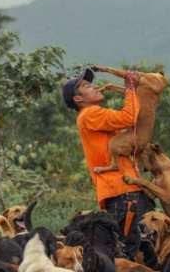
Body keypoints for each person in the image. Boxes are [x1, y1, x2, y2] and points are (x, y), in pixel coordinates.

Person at [62, 66, 155, 260]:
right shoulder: (91, 114)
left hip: (121, 191)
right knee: (127, 252)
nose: (94, 87)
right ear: (78, 99)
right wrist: (129, 87)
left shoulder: (91, 116)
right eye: (87, 86)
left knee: (132, 248)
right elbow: (129, 117)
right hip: (123, 191)